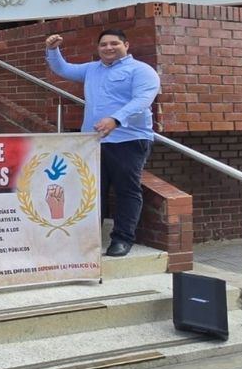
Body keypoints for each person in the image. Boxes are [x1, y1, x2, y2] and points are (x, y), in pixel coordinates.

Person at [46, 30, 160, 257]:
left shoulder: (141, 71)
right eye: (103, 44)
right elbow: (63, 69)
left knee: (126, 191)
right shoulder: (92, 69)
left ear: (126, 45)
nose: (108, 48)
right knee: (93, 191)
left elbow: (142, 100)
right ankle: (89, 239)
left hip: (128, 139)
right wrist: (52, 49)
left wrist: (116, 119)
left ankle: (122, 239)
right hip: (93, 141)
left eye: (114, 43)